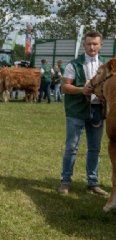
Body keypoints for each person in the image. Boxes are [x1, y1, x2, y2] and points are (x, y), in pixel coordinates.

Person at [58, 31, 108, 196]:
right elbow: (64, 87)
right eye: (88, 44)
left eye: (95, 44)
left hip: (97, 111)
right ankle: (65, 181)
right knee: (72, 148)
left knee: (95, 148)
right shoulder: (74, 64)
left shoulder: (106, 66)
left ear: (100, 45)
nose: (92, 47)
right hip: (76, 111)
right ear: (84, 45)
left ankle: (92, 183)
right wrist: (82, 89)